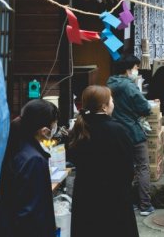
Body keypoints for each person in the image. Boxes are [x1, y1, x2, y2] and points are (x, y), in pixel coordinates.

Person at [68, 85, 138, 237]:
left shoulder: (78, 129)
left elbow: (73, 158)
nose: (113, 103)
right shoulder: (118, 130)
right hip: (114, 196)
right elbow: (128, 168)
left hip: (86, 195)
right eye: (111, 100)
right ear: (104, 106)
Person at [0, 99, 58, 236]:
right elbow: (32, 213)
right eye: (54, 123)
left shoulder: (17, 147)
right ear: (44, 130)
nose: (55, 127)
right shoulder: (34, 160)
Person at [107, 54, 154, 216]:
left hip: (115, 131)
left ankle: (125, 203)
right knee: (142, 167)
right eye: (136, 67)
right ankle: (145, 205)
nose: (137, 71)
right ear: (128, 69)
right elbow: (145, 108)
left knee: (121, 168)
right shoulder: (129, 86)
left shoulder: (109, 84)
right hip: (133, 131)